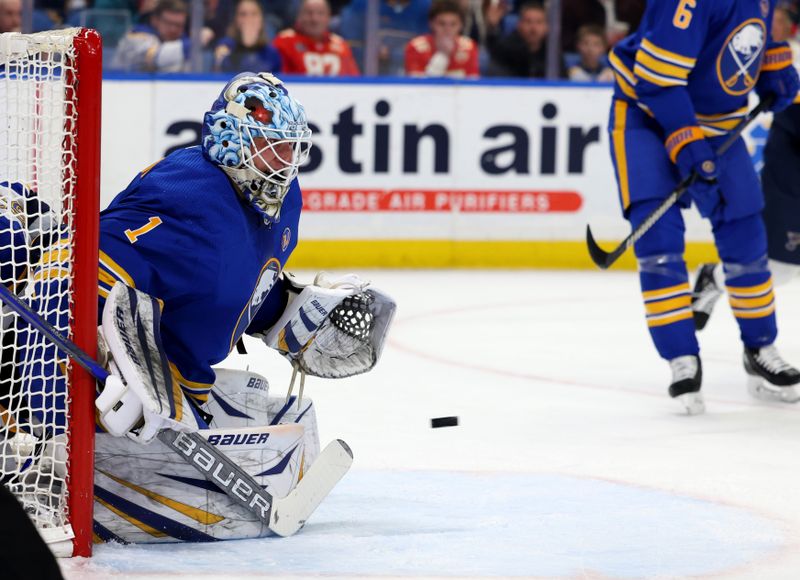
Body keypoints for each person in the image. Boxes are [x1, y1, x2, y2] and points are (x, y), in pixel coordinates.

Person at [10, 72, 395, 543]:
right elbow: (74, 276)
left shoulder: (283, 199)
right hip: (119, 383)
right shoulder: (188, 191)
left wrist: (285, 313)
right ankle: (42, 468)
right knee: (60, 369)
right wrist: (112, 372)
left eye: (292, 147)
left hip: (182, 381)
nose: (287, 161)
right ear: (233, 142)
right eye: (272, 146)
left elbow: (232, 277)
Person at [606, 0, 800, 414]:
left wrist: (771, 66)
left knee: (747, 234)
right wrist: (686, 141)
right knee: (659, 243)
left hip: (719, 121)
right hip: (647, 118)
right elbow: (658, 81)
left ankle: (759, 348)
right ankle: (681, 358)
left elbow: (746, 37)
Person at [692, 3, 800, 327]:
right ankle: (716, 278)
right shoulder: (794, 54)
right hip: (792, 170)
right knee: (782, 266)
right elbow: (791, 113)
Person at [110, 0, 211, 72]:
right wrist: (196, 41)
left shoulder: (181, 41)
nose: (173, 29)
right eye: (168, 23)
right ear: (155, 20)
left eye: (178, 25)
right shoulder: (136, 35)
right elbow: (157, 57)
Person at [338, 0, 431, 76]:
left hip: (413, 79)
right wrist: (370, 51)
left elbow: (431, 45)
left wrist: (396, 54)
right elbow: (350, 46)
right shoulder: (361, 5)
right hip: (369, 78)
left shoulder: (426, 8)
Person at [273, 0, 359, 76]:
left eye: (320, 13)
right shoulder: (284, 42)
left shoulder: (340, 45)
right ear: (299, 16)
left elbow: (354, 81)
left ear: (329, 17)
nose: (315, 19)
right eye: (309, 13)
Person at [485, 1, 565, 78]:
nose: (533, 28)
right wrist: (492, 28)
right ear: (519, 25)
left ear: (547, 27)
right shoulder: (507, 49)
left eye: (539, 22)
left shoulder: (553, 54)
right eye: (528, 22)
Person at [404, 0, 479, 78]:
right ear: (431, 24)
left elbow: (472, 85)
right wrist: (443, 55)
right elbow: (417, 86)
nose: (447, 29)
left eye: (453, 24)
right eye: (442, 24)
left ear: (461, 25)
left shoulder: (469, 47)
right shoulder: (415, 48)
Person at [214, 0, 281, 73]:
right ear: (236, 19)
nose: (249, 19)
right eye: (243, 14)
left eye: (254, 14)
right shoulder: (226, 46)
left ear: (261, 19)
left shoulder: (272, 53)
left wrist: (250, 47)